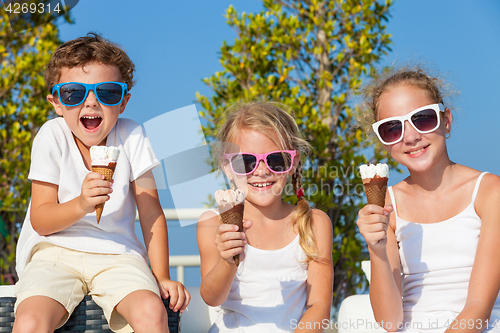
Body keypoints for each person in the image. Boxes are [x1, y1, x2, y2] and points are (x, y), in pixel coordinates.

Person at [13, 33, 190, 333]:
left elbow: (151, 214)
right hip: (54, 252)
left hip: (118, 255)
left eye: (107, 92)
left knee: (151, 312)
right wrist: (81, 204)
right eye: (73, 93)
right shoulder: (51, 136)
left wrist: (161, 275)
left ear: (122, 103)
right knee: (30, 320)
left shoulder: (132, 136)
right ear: (56, 102)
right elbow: (41, 220)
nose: (91, 101)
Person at [357, 66, 500, 333]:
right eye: (392, 128)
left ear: (446, 120)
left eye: (422, 119)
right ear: (383, 142)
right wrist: (376, 250)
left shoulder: (490, 192)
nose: (410, 136)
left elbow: (478, 309)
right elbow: (389, 321)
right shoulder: (389, 204)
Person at [196, 101, 333, 333]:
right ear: (228, 167)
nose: (261, 171)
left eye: (276, 160)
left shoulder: (314, 223)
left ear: (293, 163)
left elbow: (319, 307)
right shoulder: (212, 222)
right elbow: (212, 297)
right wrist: (228, 260)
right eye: (246, 162)